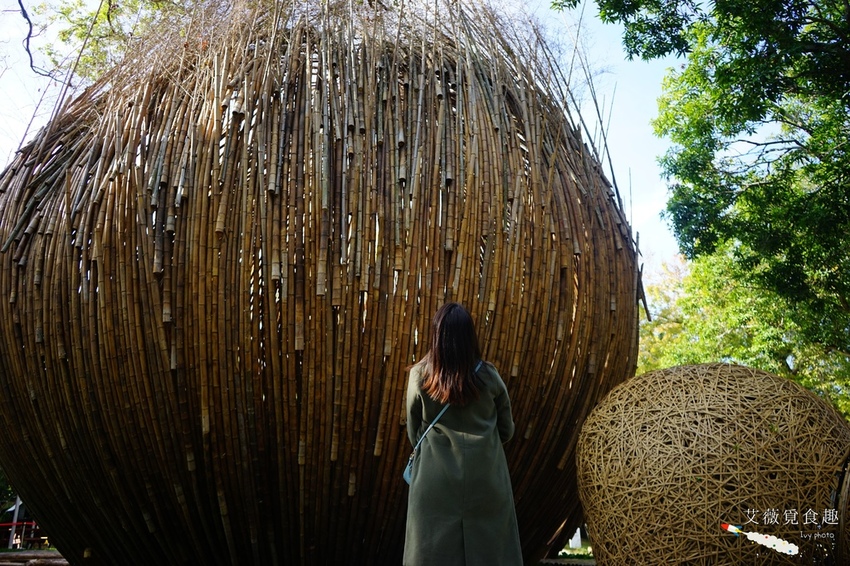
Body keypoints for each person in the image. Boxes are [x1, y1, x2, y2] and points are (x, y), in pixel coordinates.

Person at [404, 302, 523, 566]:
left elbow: (414, 433)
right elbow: (507, 429)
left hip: (434, 481)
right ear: (470, 336)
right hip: (487, 479)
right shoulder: (489, 376)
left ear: (436, 336)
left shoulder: (418, 376)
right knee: (492, 554)